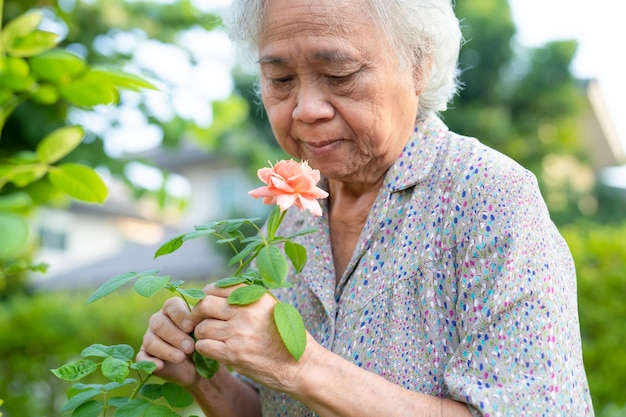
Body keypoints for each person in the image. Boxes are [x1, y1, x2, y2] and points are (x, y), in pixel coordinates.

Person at [137, 0, 594, 415]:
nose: (305, 109)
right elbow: (274, 408)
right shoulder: (289, 220)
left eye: (339, 75)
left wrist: (300, 366)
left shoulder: (488, 199)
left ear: (419, 63)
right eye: (280, 80)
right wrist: (203, 377)